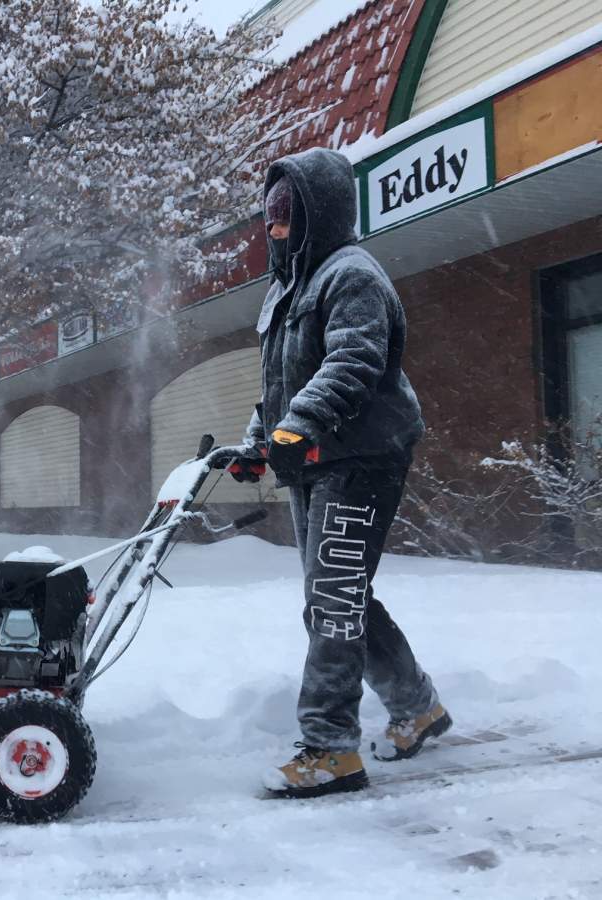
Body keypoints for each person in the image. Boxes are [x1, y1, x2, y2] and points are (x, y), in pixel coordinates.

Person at [206, 148, 450, 799]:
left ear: (323, 211)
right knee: (339, 595)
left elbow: (352, 363)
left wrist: (300, 426)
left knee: (332, 601)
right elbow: (279, 387)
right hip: (316, 458)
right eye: (270, 214)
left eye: (287, 213)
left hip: (365, 455)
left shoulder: (353, 277)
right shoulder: (287, 289)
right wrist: (259, 441)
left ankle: (330, 748)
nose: (276, 227)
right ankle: (416, 704)